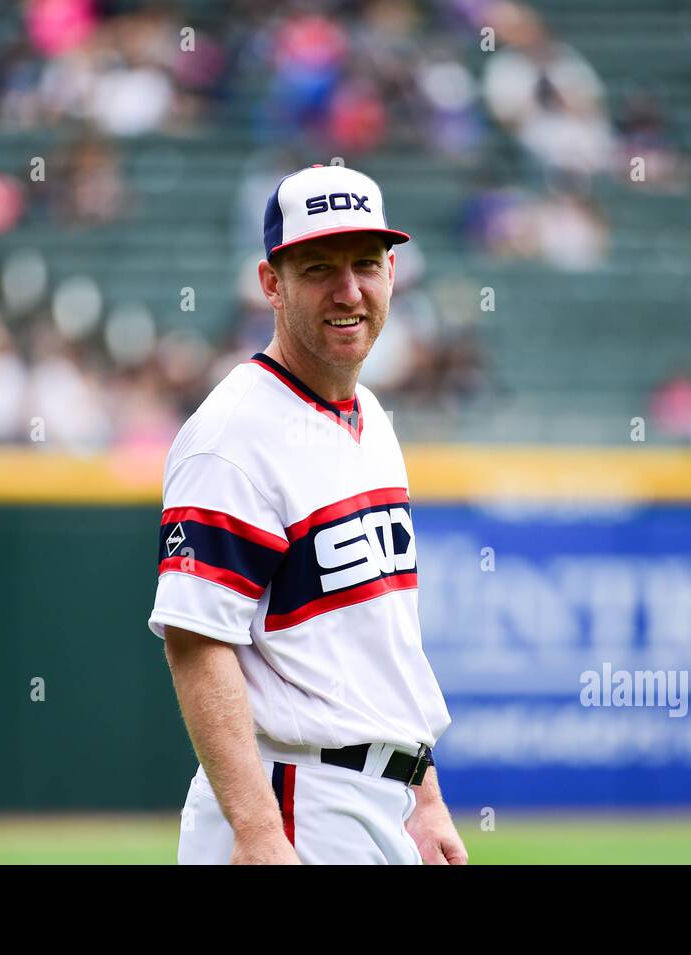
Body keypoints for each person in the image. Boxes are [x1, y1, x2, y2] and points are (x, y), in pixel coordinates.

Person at [147, 164, 464, 865]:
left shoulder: (372, 415)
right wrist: (259, 830)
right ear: (271, 283)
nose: (349, 290)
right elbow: (196, 643)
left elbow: (381, 641)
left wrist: (424, 792)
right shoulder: (231, 435)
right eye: (319, 268)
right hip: (294, 800)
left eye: (366, 265)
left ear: (392, 274)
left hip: (374, 799)